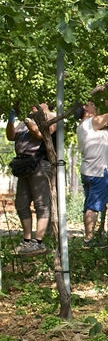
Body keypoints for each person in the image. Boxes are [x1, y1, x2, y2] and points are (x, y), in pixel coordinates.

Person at [6, 103, 56, 255]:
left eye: (38, 101)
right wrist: (11, 119)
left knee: (41, 204)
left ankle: (38, 241)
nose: (34, 103)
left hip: (39, 164)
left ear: (46, 103)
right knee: (21, 204)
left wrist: (28, 119)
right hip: (23, 165)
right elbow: (11, 136)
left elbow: (40, 134)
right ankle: (26, 240)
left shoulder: (51, 117)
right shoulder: (25, 120)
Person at [76, 99, 108, 248]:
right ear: (85, 108)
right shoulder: (91, 122)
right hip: (100, 172)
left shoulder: (86, 128)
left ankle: (91, 236)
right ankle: (89, 240)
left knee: (90, 204)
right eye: (92, 104)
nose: (95, 106)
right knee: (93, 206)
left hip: (90, 171)